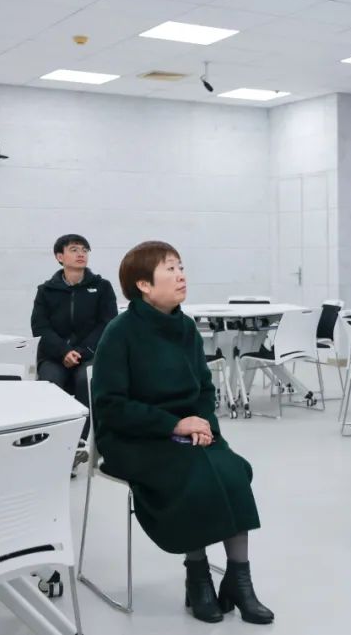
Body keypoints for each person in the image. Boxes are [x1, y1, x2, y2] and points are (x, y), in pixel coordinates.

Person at [91, 241, 273, 625]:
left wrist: (205, 426)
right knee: (194, 474)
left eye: (181, 267)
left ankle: (239, 580)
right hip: (134, 437)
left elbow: (204, 389)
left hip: (189, 430)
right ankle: (198, 576)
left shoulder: (186, 327)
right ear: (143, 285)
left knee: (233, 470)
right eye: (170, 269)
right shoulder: (119, 333)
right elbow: (110, 406)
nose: (181, 276)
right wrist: (172, 425)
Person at [31, 234, 117, 443]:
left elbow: (107, 323)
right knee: (50, 382)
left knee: (85, 380)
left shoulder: (102, 287)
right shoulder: (46, 291)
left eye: (84, 250)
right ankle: (51, 440)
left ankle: (83, 441)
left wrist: (82, 351)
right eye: (74, 249)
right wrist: (63, 351)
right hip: (54, 355)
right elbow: (40, 327)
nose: (81, 254)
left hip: (90, 354)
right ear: (60, 257)